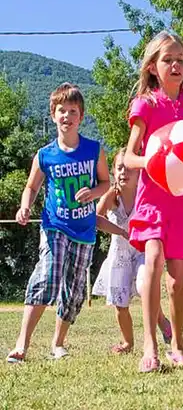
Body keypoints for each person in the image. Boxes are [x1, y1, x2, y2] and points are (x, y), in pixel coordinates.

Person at [123, 31, 183, 372]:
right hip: (151, 198)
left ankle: (178, 343)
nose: (175, 65)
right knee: (154, 259)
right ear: (153, 68)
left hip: (180, 202)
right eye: (168, 60)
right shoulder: (146, 105)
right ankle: (149, 344)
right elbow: (130, 157)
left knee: (177, 276)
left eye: (180, 60)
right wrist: (154, 160)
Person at [7, 83, 110, 363]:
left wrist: (94, 192)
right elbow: (31, 186)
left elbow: (106, 183)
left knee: (74, 290)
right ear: (53, 114)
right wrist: (25, 206)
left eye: (72, 111)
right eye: (61, 111)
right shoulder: (45, 155)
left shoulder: (93, 150)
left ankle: (58, 343)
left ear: (81, 116)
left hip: (84, 230)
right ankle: (21, 344)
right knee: (48, 277)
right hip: (54, 225)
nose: (67, 116)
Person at [92, 148, 172, 354]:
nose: (123, 173)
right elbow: (95, 219)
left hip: (142, 252)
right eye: (119, 168)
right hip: (119, 254)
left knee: (145, 286)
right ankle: (128, 342)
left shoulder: (145, 194)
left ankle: (161, 319)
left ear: (139, 174)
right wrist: (121, 231)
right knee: (120, 304)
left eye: (129, 169)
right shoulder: (112, 196)